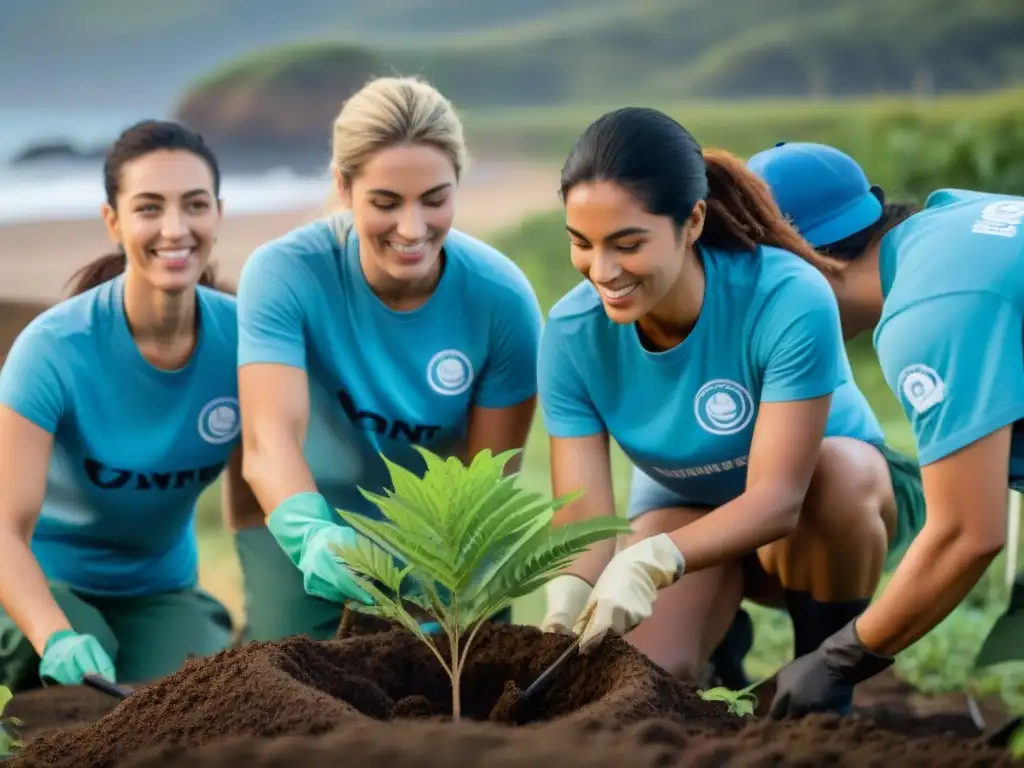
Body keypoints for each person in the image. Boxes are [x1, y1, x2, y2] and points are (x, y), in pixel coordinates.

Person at [535, 108, 924, 716]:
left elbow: (779, 499)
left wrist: (653, 558)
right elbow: (584, 514)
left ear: (691, 222)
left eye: (628, 243)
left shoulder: (786, 294)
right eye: (581, 244)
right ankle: (723, 648)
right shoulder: (570, 334)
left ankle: (823, 679)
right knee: (645, 681)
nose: (603, 272)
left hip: (822, 515)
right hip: (687, 508)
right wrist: (564, 604)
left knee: (836, 479)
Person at [234, 75, 543, 641]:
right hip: (309, 514)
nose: (412, 228)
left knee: (453, 676)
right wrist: (312, 537)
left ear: (457, 185)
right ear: (343, 186)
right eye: (385, 202)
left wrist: (445, 581)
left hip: (442, 536)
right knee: (293, 677)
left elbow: (489, 482)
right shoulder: (283, 274)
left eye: (435, 200)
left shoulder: (502, 299)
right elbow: (266, 441)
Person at [745, 140, 1024, 718]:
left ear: (802, 265)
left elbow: (967, 533)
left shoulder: (929, 313)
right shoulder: (956, 221)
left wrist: (839, 658)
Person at [0, 119, 256, 692]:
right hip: (39, 583)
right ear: (113, 221)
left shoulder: (247, 343)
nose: (175, 229)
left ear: (217, 213)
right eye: (148, 208)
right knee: (84, 676)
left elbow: (258, 498)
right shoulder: (52, 350)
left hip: (159, 592)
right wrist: (52, 633)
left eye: (194, 205)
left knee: (207, 692)